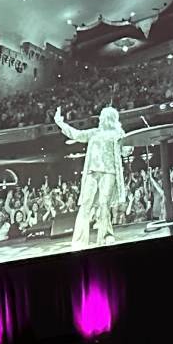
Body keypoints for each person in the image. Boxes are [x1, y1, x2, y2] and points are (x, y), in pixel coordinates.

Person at [56, 103, 127, 249]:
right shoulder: (94, 133)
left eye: (103, 116)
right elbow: (76, 134)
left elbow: (125, 150)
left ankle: (106, 236)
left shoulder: (118, 134)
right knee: (85, 204)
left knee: (104, 204)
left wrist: (128, 147)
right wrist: (60, 122)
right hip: (92, 172)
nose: (100, 118)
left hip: (109, 172)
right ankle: (80, 239)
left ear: (109, 118)